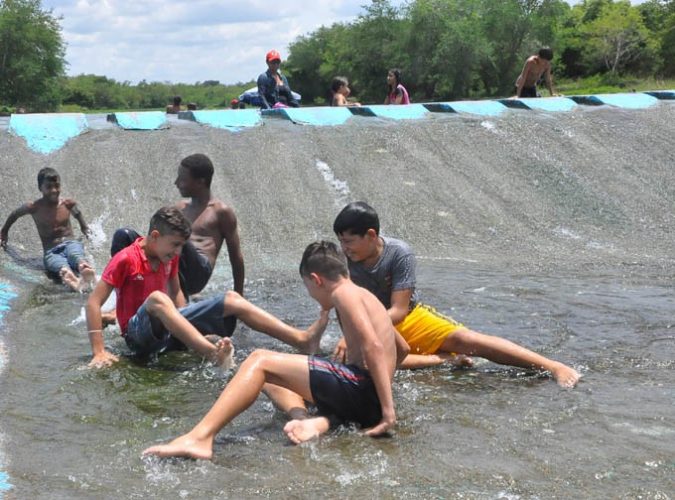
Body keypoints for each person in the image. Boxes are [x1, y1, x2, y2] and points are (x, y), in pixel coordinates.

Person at [143, 241, 410, 459]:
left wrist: (387, 412)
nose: (313, 296)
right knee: (270, 376)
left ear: (316, 280)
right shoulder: (367, 296)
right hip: (364, 394)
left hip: (363, 392)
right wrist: (380, 385)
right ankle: (309, 419)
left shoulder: (342, 294)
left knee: (259, 360)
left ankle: (199, 438)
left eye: (309, 288)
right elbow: (402, 347)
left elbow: (374, 346)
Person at [332, 202, 581, 388]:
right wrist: (351, 334)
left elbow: (398, 310)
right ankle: (443, 360)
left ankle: (552, 366)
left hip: (407, 317)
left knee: (468, 340)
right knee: (362, 362)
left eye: (349, 241)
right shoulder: (342, 261)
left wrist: (361, 330)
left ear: (371, 235)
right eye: (341, 242)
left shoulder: (399, 253)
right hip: (367, 323)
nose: (345, 248)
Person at [87, 207, 327, 369]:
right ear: (155, 236)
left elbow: (177, 291)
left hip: (165, 328)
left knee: (231, 298)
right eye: (175, 245)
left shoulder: (169, 256)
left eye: (182, 245)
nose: (178, 252)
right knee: (158, 299)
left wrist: (187, 325)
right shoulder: (125, 259)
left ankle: (301, 339)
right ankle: (211, 353)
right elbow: (93, 303)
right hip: (137, 335)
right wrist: (99, 351)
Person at [110, 154, 244, 304]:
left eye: (182, 179)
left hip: (198, 272)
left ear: (200, 182)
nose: (176, 183)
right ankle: (125, 297)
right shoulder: (179, 208)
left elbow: (236, 257)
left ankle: (179, 305)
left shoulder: (221, 212)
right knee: (124, 235)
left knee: (177, 240)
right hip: (173, 259)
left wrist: (239, 297)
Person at [0, 167, 96, 292]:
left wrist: (84, 227)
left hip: (70, 243)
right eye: (49, 187)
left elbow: (77, 214)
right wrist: (4, 231)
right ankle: (68, 275)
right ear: (40, 188)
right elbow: (15, 214)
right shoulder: (34, 207)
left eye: (57, 186)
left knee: (75, 254)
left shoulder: (67, 204)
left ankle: (83, 267)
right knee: (56, 263)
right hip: (51, 251)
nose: (54, 190)